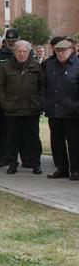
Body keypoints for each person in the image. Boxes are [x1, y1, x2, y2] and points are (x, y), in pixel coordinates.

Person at [0, 40, 44, 175]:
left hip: (31, 109)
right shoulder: (5, 67)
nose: (22, 54)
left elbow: (42, 87)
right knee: (12, 139)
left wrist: (39, 103)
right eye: (19, 51)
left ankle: (36, 164)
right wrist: (6, 104)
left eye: (25, 51)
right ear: (14, 52)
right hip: (12, 110)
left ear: (29, 52)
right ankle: (12, 164)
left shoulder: (36, 66)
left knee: (33, 139)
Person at [42, 39, 79, 181]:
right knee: (56, 142)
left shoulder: (77, 65)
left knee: (74, 142)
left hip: (73, 113)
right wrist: (44, 103)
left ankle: (75, 169)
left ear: (72, 50)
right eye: (58, 51)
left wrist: (76, 106)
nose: (61, 53)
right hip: (54, 111)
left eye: (64, 50)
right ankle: (61, 168)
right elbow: (44, 86)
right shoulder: (50, 65)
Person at [0, 29, 21, 167]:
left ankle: (24, 157)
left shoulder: (25, 52)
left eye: (14, 41)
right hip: (2, 99)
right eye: (9, 41)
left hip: (20, 99)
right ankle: (3, 157)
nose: (12, 44)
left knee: (20, 130)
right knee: (2, 130)